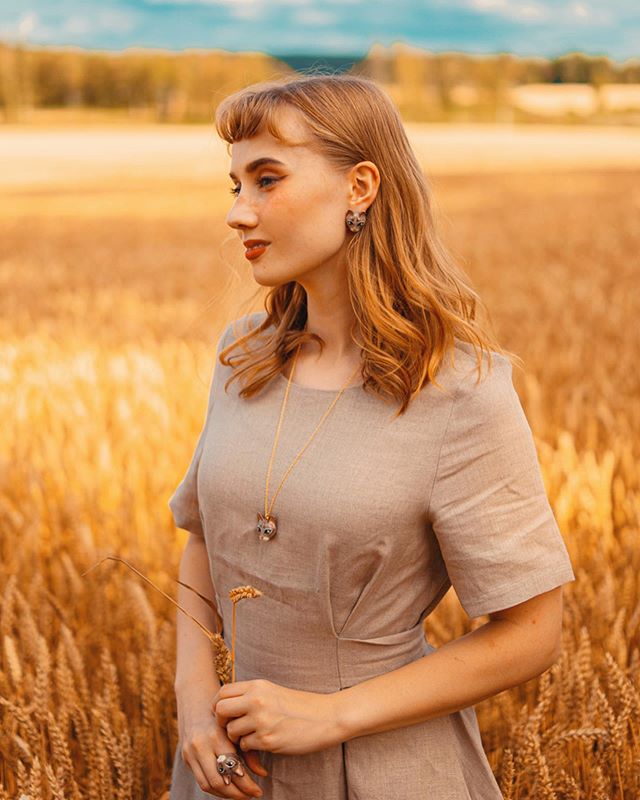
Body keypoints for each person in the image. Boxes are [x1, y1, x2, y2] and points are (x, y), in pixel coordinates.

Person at [167, 73, 576, 800]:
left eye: (267, 180)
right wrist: (195, 702)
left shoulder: (460, 392)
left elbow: (533, 630)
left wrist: (331, 715)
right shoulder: (242, 357)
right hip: (228, 766)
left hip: (384, 768)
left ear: (360, 187)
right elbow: (204, 538)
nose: (238, 213)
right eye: (233, 185)